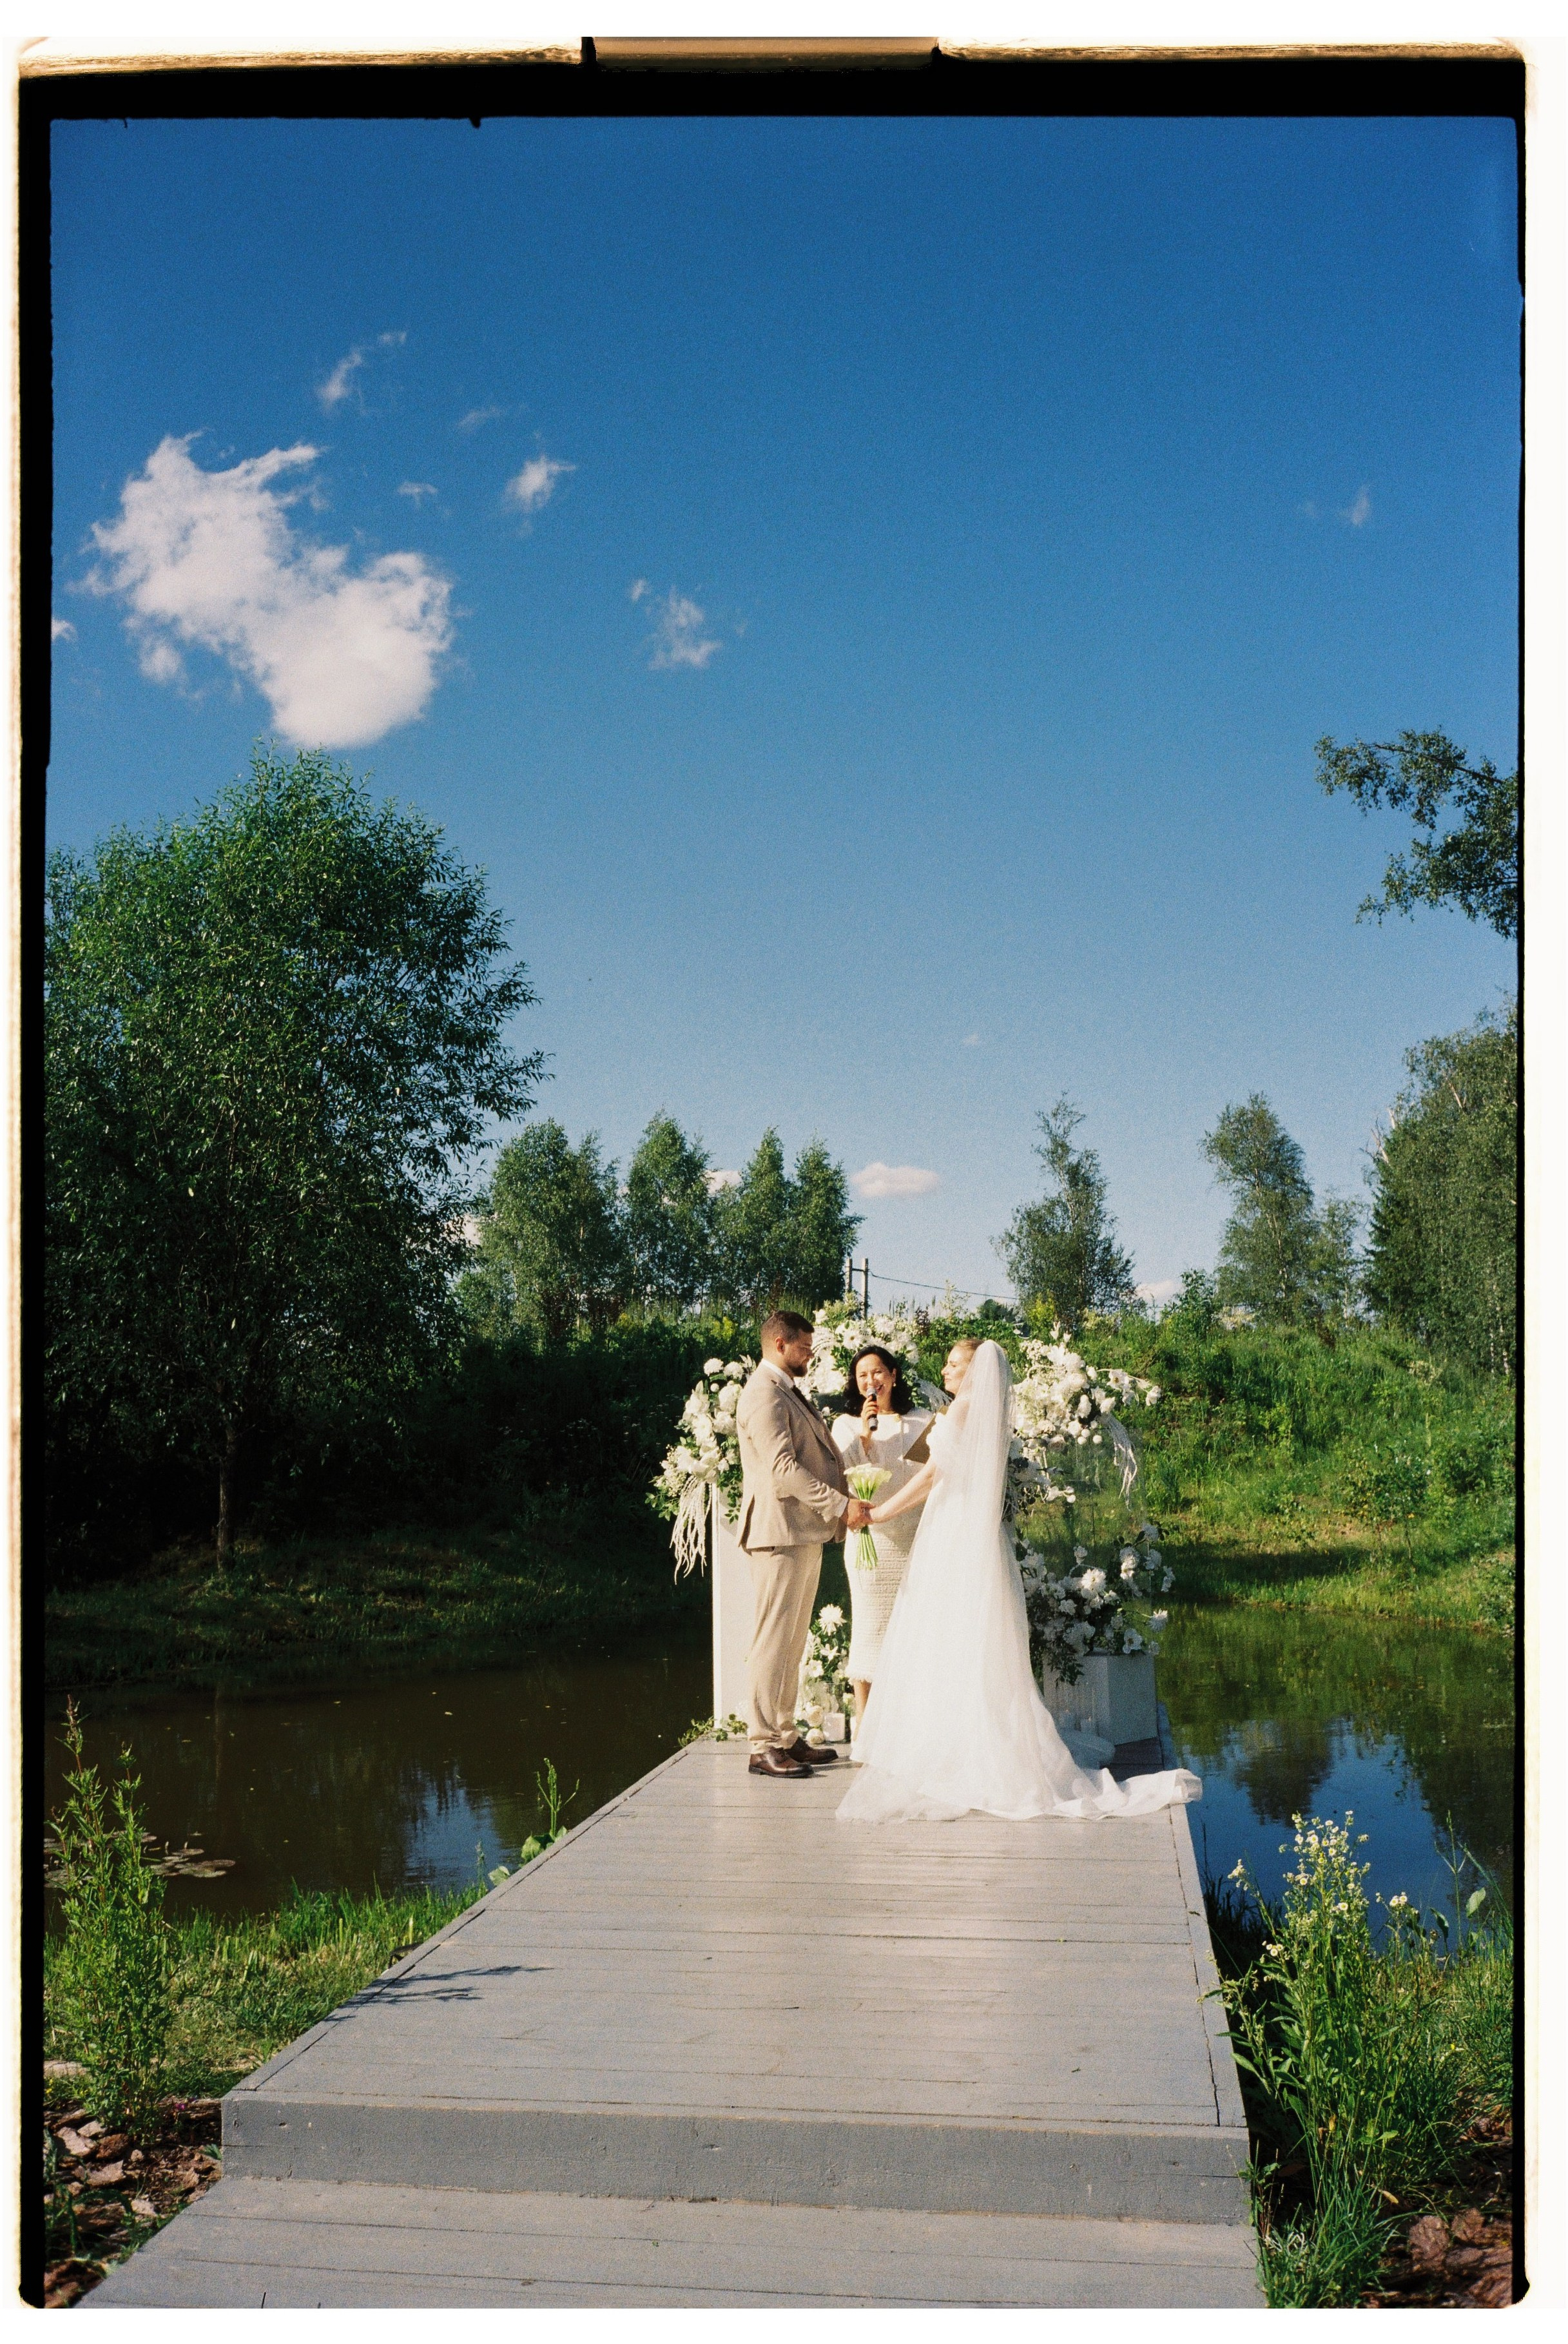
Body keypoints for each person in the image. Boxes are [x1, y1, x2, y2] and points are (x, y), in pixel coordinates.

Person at [837, 1337, 1202, 1825]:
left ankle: (954, 1746)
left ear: (973, 1370)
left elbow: (930, 1479)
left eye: (952, 1363)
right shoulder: (979, 1411)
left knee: (945, 1633)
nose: (944, 1370)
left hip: (952, 1531)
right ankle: (963, 1735)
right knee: (968, 1637)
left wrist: (879, 1511)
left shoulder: (962, 1410)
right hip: (971, 1532)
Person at [735, 1309, 874, 1779]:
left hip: (798, 1530)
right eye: (804, 1348)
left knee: (792, 1642)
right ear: (780, 1343)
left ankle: (785, 1734)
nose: (809, 1356)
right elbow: (782, 1468)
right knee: (772, 1641)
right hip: (777, 1531)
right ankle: (760, 1744)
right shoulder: (763, 1393)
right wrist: (839, 1505)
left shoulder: (784, 1390)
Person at [830, 1346, 933, 1736]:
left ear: (892, 1374)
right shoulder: (845, 1425)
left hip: (915, 1535)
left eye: (877, 1373)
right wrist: (864, 1435)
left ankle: (910, 1726)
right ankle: (866, 1727)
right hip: (870, 1538)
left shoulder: (923, 1422)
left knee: (916, 1628)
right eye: (861, 1376)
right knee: (871, 1628)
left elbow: (932, 1476)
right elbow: (844, 1475)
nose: (870, 1382)